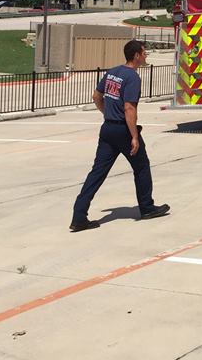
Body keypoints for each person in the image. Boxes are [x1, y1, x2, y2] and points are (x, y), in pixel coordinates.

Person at [70, 39, 170, 232]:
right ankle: (147, 207)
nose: (145, 55)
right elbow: (129, 107)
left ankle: (79, 216)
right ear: (136, 56)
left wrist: (107, 113)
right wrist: (134, 136)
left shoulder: (112, 72)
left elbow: (96, 96)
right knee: (141, 166)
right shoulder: (132, 77)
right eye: (144, 52)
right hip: (123, 130)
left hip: (108, 129)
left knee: (97, 172)